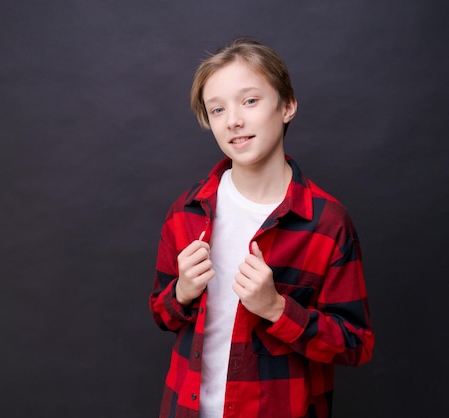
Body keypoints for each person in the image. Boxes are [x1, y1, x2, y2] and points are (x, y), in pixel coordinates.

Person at [149, 38, 374, 418]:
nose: (233, 120)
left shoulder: (327, 222)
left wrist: (276, 308)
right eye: (217, 109)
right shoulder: (186, 212)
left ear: (287, 106)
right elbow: (161, 313)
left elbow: (355, 345)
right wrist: (182, 291)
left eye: (249, 101)